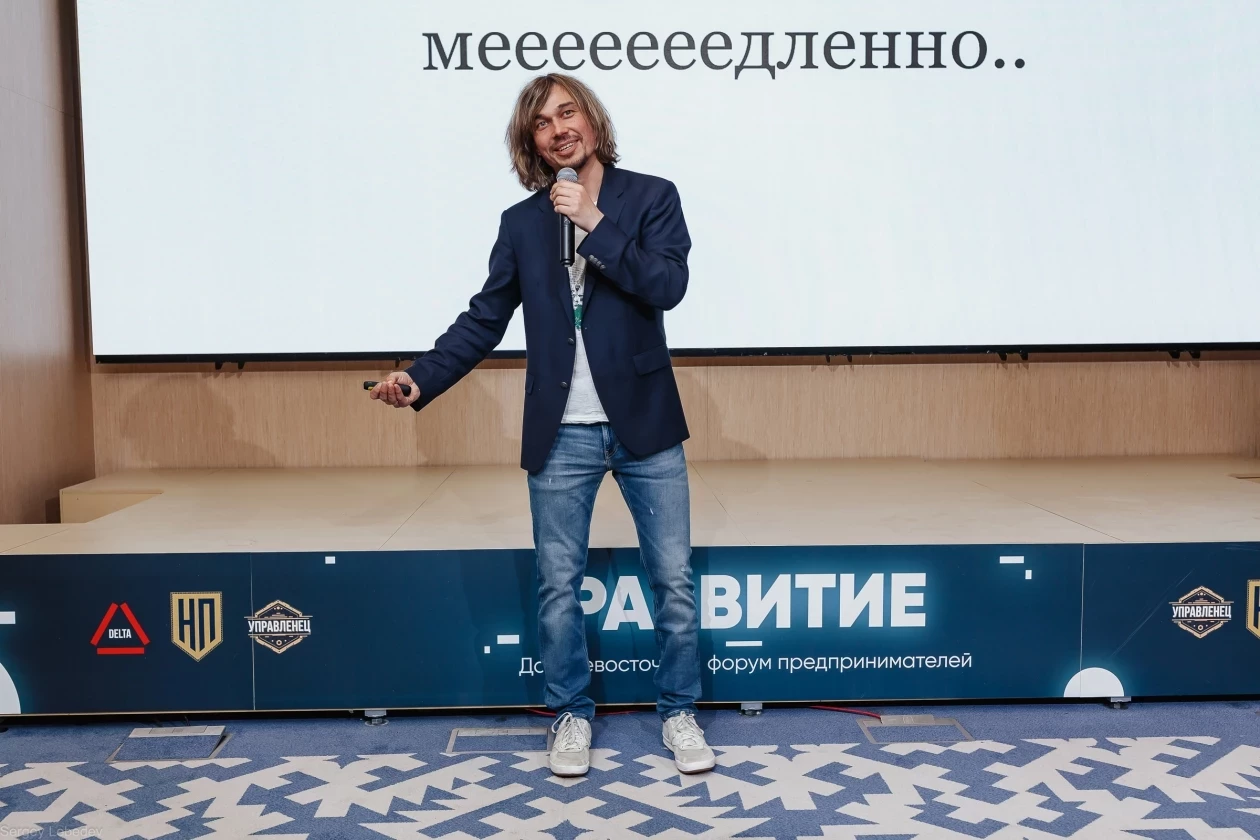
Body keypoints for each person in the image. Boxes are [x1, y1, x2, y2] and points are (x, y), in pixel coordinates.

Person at [369, 73, 714, 777]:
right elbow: (484, 319)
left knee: (673, 579)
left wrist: (594, 221)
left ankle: (679, 710)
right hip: (561, 431)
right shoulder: (522, 223)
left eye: (568, 112)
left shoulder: (652, 196)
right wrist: (419, 377)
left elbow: (668, 285)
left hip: (645, 423)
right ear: (531, 143)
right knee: (559, 585)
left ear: (592, 119)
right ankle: (570, 714)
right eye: (542, 123)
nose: (559, 129)